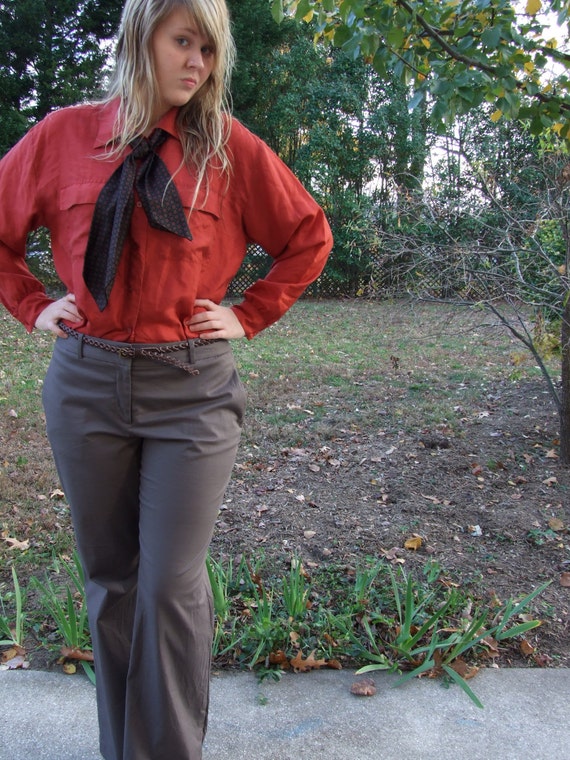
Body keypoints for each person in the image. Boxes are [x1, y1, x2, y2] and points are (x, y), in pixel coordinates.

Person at [0, 0, 332, 757]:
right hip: (86, 385)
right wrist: (28, 302)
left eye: (209, 51)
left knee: (169, 586)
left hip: (192, 391)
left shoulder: (227, 148)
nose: (198, 63)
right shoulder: (63, 137)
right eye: (185, 42)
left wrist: (250, 313)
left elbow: (307, 235)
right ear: (140, 35)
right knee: (111, 580)